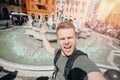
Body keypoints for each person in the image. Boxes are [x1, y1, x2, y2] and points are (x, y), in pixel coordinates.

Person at [39, 21, 106, 80]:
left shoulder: (81, 60)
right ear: (58, 41)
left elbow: (94, 74)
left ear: (75, 38)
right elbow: (49, 49)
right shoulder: (58, 53)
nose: (66, 42)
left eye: (70, 37)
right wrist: (43, 34)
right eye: (62, 39)